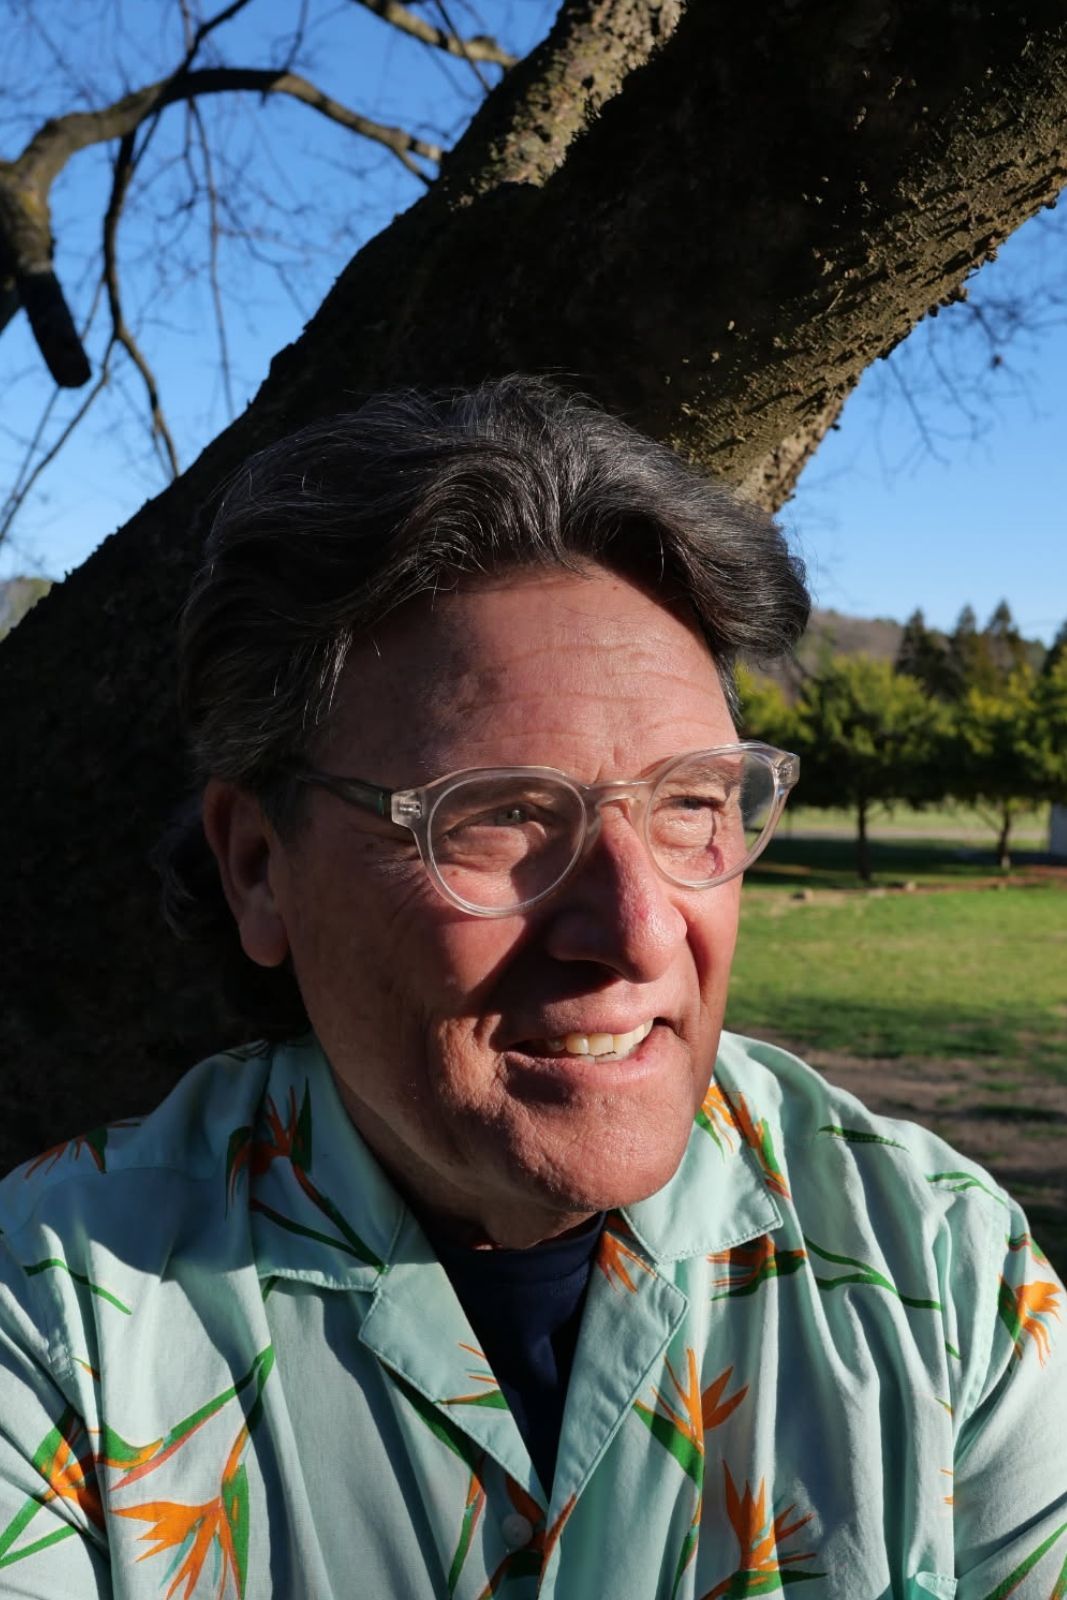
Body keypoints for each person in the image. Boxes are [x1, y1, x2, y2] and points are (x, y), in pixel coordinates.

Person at [0, 377, 1063, 1600]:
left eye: (690, 806)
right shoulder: (56, 1325)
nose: (636, 928)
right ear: (257, 866)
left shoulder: (938, 1271)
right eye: (500, 815)